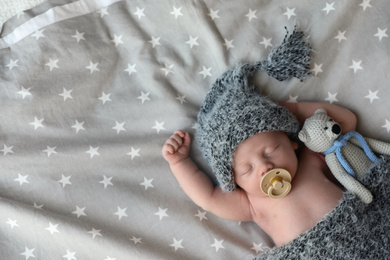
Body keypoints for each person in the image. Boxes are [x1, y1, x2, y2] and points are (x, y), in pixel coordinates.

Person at [162, 101, 356, 247]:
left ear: (292, 142)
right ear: (235, 181)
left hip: (357, 227)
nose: (265, 167)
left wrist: (294, 111)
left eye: (271, 151)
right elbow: (208, 197)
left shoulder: (311, 158)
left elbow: (346, 122)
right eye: (248, 169)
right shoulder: (251, 203)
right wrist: (179, 162)